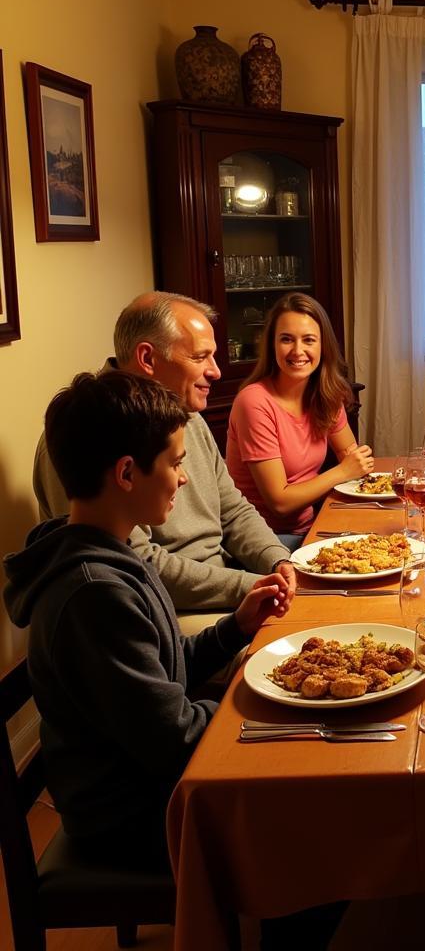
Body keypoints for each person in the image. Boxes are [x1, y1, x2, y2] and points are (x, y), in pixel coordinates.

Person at [5, 371, 289, 869]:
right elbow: (174, 738)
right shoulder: (95, 593)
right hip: (129, 815)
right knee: (309, 823)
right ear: (127, 473)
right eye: (176, 464)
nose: (183, 477)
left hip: (144, 779)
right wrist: (273, 712)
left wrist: (235, 627)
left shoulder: (112, 551)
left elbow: (167, 665)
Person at [33, 292, 297, 634]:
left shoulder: (184, 413)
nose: (215, 371)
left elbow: (233, 511)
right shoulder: (88, 431)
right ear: (147, 358)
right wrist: (252, 585)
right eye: (200, 357)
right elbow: (138, 566)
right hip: (163, 607)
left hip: (224, 580)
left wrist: (278, 560)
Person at [226, 292, 372, 549]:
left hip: (313, 526)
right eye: (286, 340)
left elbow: (350, 455)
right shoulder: (254, 402)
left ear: (322, 346)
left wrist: (356, 465)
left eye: (308, 340)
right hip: (266, 540)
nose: (298, 351)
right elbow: (279, 502)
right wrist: (344, 471)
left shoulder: (325, 393)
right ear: (272, 345)